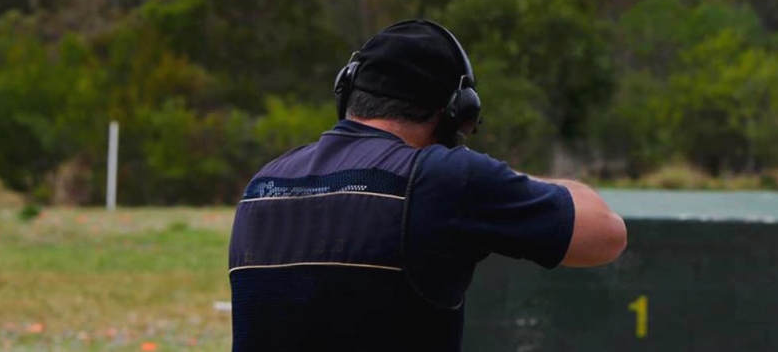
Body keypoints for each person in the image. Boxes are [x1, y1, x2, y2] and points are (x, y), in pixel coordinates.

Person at [228, 19, 627, 351]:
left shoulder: (264, 185)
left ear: (348, 91)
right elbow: (605, 234)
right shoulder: (443, 178)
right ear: (458, 113)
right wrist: (493, 183)